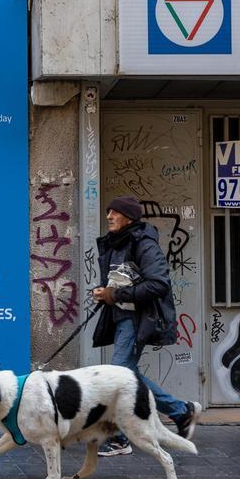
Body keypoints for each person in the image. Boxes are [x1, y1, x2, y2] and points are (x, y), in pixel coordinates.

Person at [91, 195, 201, 456]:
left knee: (116, 377)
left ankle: (118, 437)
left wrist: (116, 295)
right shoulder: (114, 243)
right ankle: (181, 412)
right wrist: (105, 291)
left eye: (114, 212)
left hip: (136, 319)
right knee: (128, 374)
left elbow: (158, 283)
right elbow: (121, 279)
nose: (109, 216)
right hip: (119, 316)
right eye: (108, 212)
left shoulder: (144, 242)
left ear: (128, 217)